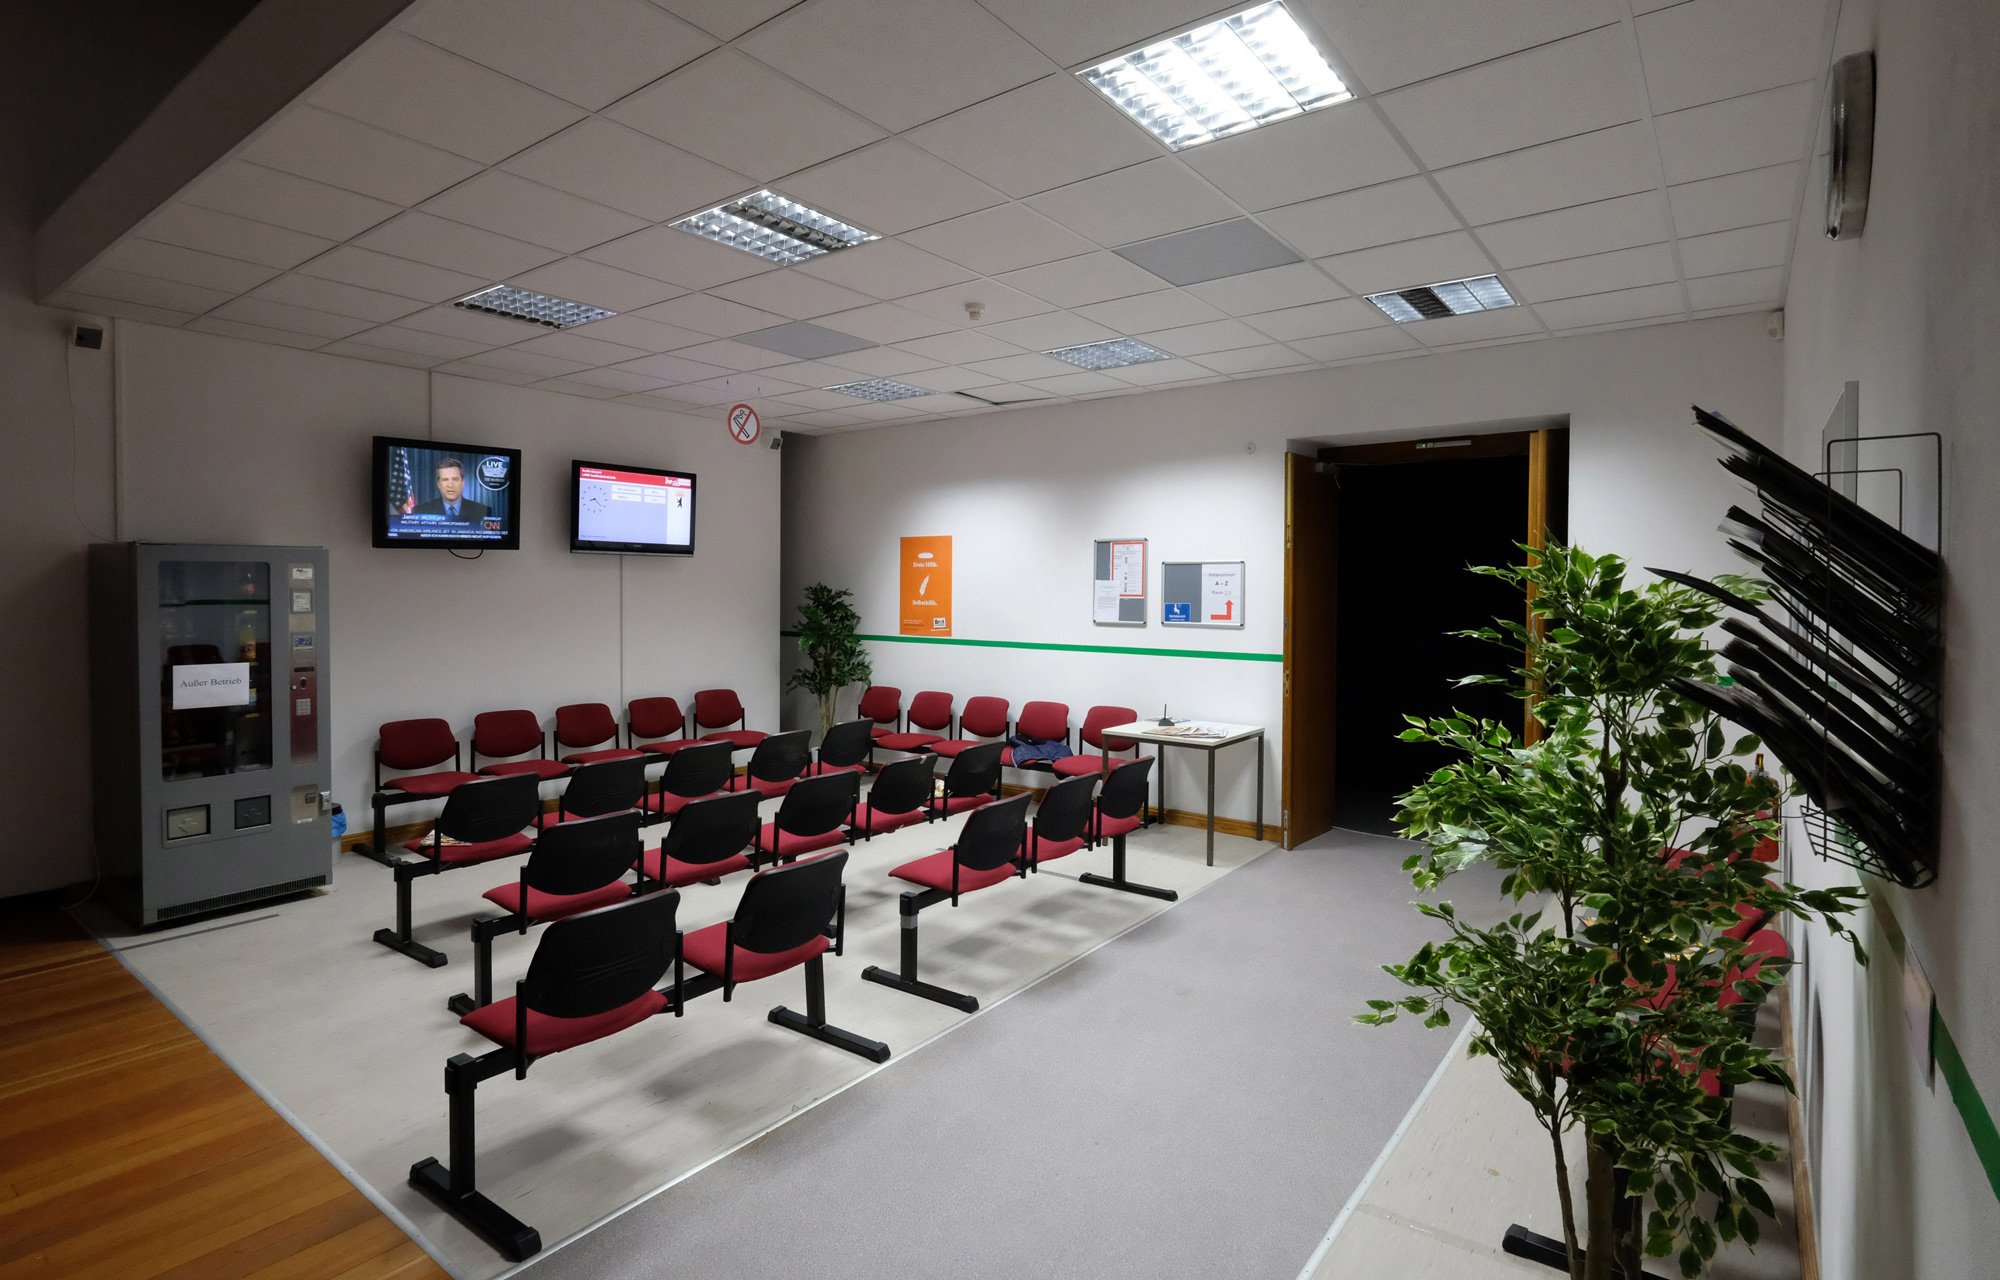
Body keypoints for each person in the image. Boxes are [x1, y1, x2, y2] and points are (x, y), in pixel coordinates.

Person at [411, 458, 489, 521]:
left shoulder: (482, 511)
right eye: (445, 480)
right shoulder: (420, 511)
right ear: (438, 484)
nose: (450, 485)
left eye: (455, 479)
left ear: (463, 482)